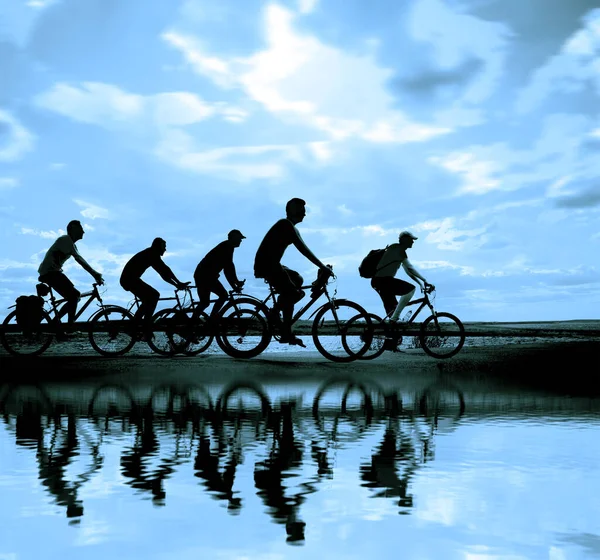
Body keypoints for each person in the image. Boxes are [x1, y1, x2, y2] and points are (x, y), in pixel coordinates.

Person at [254, 198, 332, 346]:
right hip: (267, 265)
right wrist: (322, 266)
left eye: (304, 210)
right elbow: (303, 249)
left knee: (297, 280)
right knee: (294, 293)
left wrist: (321, 267)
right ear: (291, 210)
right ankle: (276, 316)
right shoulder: (285, 224)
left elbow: (303, 247)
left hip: (273, 264)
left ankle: (284, 329)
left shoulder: (291, 226)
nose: (304, 213)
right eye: (301, 210)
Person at [38, 220, 104, 329]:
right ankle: (68, 327)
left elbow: (79, 258)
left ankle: (56, 324)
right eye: (81, 228)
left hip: (51, 273)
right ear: (73, 228)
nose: (83, 231)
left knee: (74, 297)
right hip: (50, 273)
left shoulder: (70, 243)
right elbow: (80, 259)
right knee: (74, 296)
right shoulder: (66, 239)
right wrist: (95, 274)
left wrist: (94, 274)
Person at [120, 237, 188, 339]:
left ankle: (137, 326)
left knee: (148, 299)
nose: (165, 249)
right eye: (164, 246)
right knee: (154, 295)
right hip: (130, 280)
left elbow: (164, 273)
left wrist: (177, 284)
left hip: (130, 279)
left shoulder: (151, 253)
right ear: (158, 246)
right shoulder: (152, 254)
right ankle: (144, 328)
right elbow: (165, 271)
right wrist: (178, 283)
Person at [371, 230, 434, 322]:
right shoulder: (398, 250)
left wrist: (420, 283)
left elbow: (408, 271)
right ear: (405, 240)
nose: (413, 241)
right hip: (383, 281)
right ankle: (394, 318)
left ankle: (391, 330)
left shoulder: (396, 249)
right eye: (411, 239)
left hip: (380, 282)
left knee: (394, 311)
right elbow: (410, 268)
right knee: (410, 289)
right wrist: (425, 280)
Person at [193, 229, 246, 318]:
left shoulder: (228, 247)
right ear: (233, 238)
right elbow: (228, 269)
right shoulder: (226, 247)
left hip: (204, 275)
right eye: (239, 238)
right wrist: (235, 285)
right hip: (205, 276)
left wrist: (236, 282)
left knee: (205, 302)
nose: (241, 240)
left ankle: (194, 323)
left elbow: (229, 268)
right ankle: (211, 319)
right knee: (223, 296)